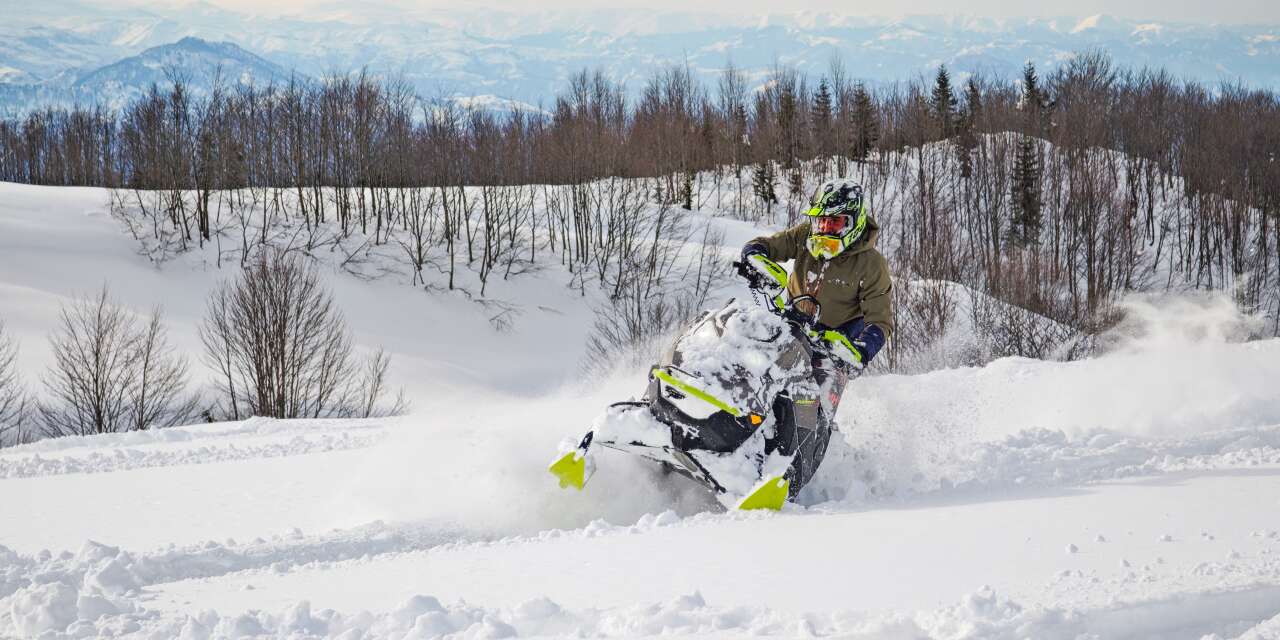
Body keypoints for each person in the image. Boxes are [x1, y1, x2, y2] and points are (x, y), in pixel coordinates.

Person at [739, 178, 893, 493]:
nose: (824, 228)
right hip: (789, 324)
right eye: (820, 220)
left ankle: (792, 478)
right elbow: (773, 245)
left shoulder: (871, 263)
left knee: (814, 406)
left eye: (833, 221)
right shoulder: (805, 236)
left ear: (853, 221)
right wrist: (755, 254)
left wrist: (861, 350)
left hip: (834, 346)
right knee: (748, 368)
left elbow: (880, 320)